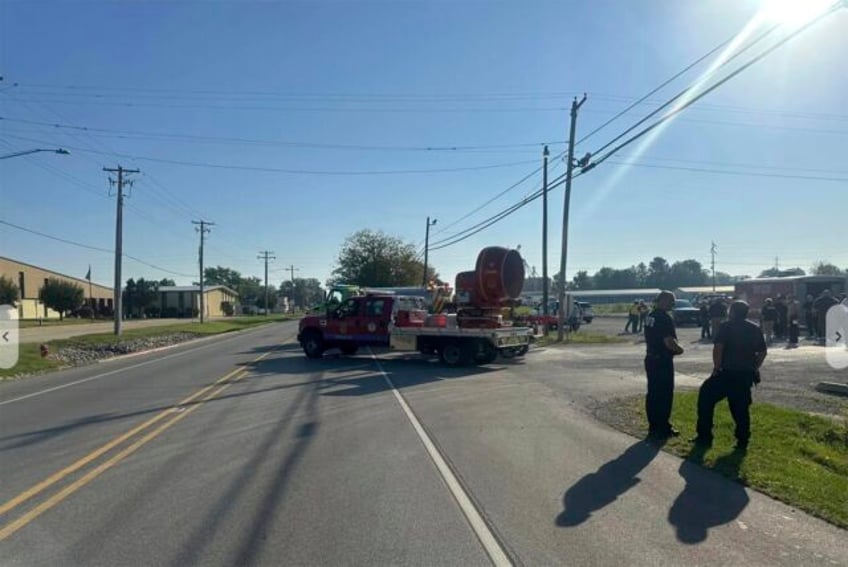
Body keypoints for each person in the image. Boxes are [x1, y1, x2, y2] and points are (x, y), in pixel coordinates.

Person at [692, 300, 767, 450]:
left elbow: (718, 348)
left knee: (706, 398)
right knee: (741, 408)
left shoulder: (726, 326)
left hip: (726, 373)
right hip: (745, 374)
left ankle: (704, 436)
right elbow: (762, 352)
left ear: (732, 312)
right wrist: (754, 367)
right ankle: (743, 440)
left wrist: (716, 367)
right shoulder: (754, 328)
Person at [643, 291, 684, 440]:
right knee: (665, 394)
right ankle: (663, 427)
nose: (673, 304)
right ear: (664, 300)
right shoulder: (664, 318)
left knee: (653, 393)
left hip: (650, 358)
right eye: (671, 301)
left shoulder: (650, 316)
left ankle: (653, 426)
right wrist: (679, 350)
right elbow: (668, 341)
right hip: (662, 360)